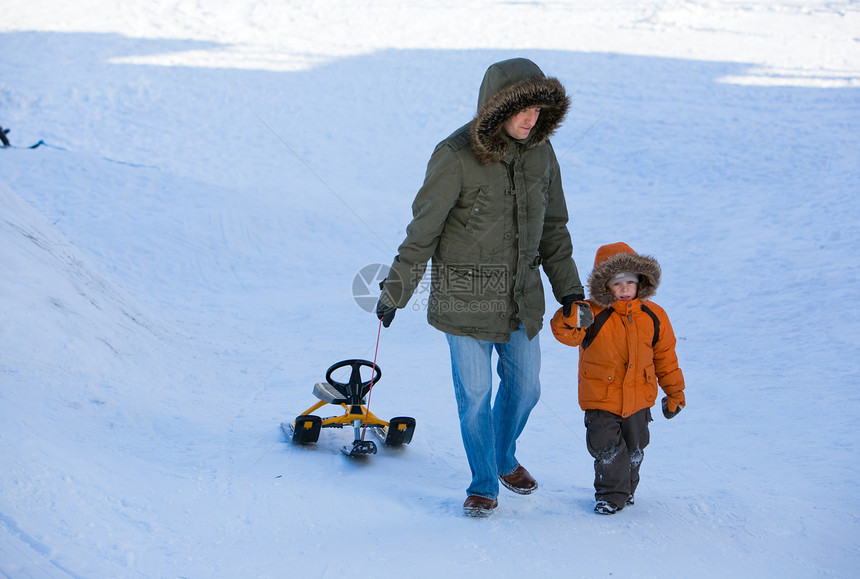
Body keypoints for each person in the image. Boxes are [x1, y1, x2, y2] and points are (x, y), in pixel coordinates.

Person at [375, 58, 590, 517]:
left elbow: (555, 229)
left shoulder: (541, 152)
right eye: (522, 110)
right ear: (496, 108)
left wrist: (571, 292)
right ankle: (483, 481)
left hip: (521, 295)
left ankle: (503, 455)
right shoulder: (454, 155)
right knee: (475, 396)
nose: (531, 120)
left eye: (538, 110)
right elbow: (423, 231)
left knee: (526, 389)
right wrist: (396, 291)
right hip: (466, 298)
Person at [550, 242, 686, 514]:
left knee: (635, 449)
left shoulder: (654, 316)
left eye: (630, 281)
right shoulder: (591, 313)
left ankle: (628, 489)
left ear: (641, 282)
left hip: (638, 400)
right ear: (604, 285)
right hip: (601, 399)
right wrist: (568, 316)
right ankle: (610, 495)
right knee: (607, 449)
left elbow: (666, 358)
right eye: (616, 282)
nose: (624, 288)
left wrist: (675, 394)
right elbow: (565, 334)